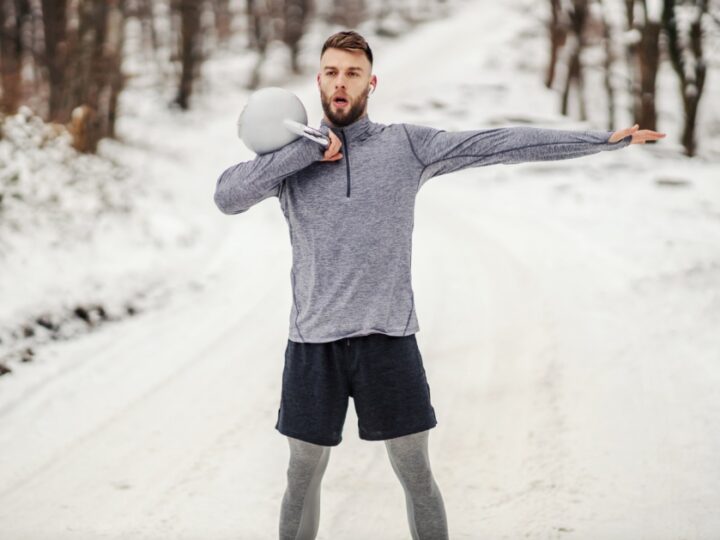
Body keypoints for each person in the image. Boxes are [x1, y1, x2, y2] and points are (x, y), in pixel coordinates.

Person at [213, 30, 666, 540]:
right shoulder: (290, 159)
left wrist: (600, 141)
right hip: (312, 342)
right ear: (318, 80)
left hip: (388, 338)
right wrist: (305, 153)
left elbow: (492, 145)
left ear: (371, 82)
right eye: (332, 72)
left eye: (353, 73)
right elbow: (227, 195)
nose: (341, 83)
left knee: (415, 474)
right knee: (301, 475)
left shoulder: (405, 146)